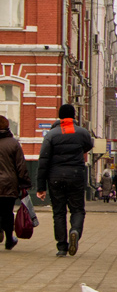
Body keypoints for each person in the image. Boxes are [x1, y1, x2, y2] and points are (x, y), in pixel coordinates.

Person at [36, 104, 94, 257]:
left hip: (55, 177)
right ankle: (75, 230)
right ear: (74, 116)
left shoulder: (51, 135)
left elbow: (43, 161)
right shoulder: (82, 132)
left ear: (59, 117)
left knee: (59, 212)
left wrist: (40, 187)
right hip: (76, 175)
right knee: (77, 209)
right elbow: (89, 145)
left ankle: (62, 246)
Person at [0, 115, 30, 250]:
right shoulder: (13, 143)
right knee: (7, 212)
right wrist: (25, 183)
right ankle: (9, 239)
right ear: (7, 127)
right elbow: (21, 166)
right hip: (9, 184)